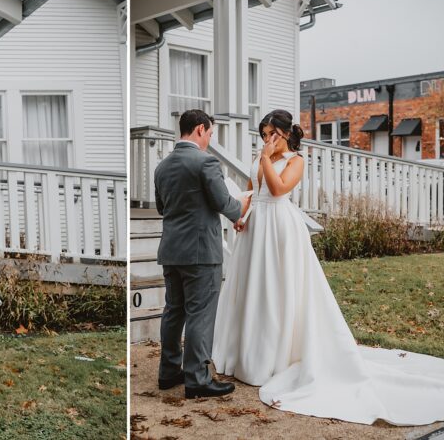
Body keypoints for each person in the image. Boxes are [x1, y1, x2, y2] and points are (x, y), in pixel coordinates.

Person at [212, 109, 444, 425]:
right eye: (264, 134)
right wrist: (242, 215)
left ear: (284, 133)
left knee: (276, 289)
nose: (267, 140)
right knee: (252, 288)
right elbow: (254, 190)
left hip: (280, 230)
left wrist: (266, 157)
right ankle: (244, 356)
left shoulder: (296, 161)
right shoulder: (263, 155)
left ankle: (274, 357)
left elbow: (279, 189)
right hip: (256, 229)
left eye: (272, 134)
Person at [153, 109, 244, 399]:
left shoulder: (162, 166)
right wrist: (241, 209)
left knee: (174, 311)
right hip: (201, 252)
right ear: (200, 129)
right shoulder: (206, 162)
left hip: (171, 250)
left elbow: (161, 208)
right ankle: (197, 379)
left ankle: (168, 372)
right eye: (211, 134)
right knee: (200, 315)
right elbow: (222, 202)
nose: (210, 140)